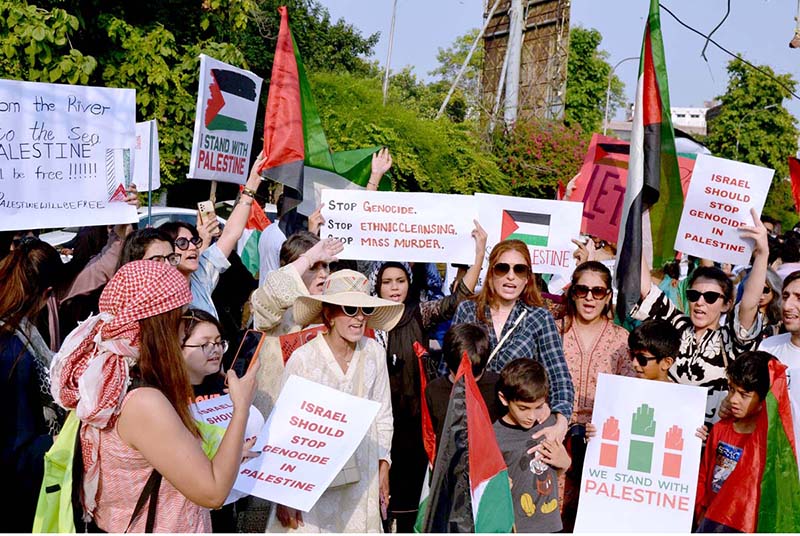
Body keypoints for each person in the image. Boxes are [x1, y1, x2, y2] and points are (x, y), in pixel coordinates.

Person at [49, 260, 260, 532]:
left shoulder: (111, 372)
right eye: (182, 317)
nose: (185, 328)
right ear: (162, 324)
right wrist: (241, 407)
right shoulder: (143, 401)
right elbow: (213, 492)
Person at [367, 221, 486, 532]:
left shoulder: (421, 313)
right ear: (376, 286)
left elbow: (458, 297)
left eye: (400, 280)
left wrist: (479, 251)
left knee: (407, 492)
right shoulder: (362, 319)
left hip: (413, 421)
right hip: (374, 419)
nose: (394, 287)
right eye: (387, 282)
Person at [269, 269, 402, 533]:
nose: (360, 318)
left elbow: (383, 414)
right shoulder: (303, 359)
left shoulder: (375, 352)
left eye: (365, 310)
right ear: (329, 314)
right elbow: (284, 428)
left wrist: (383, 466)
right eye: (350, 309)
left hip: (362, 475)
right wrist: (284, 493)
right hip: (312, 476)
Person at [631, 209, 769, 425]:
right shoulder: (675, 325)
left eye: (711, 297)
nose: (700, 302)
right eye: (694, 295)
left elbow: (750, 305)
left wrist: (762, 254)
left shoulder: (731, 341)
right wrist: (635, 223)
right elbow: (644, 288)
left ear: (727, 304)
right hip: (662, 432)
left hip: (710, 443)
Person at [452, 239, 574, 442]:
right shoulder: (467, 311)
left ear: (528, 278)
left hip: (518, 433)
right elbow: (448, 371)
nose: (511, 276)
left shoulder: (539, 318)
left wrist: (560, 423)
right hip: (469, 426)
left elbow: (559, 377)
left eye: (519, 270)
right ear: (491, 273)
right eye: (502, 268)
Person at [558, 261, 636, 530]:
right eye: (582, 290)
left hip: (601, 445)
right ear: (572, 293)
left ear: (608, 296)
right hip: (555, 440)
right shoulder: (554, 331)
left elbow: (632, 394)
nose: (590, 297)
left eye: (598, 291)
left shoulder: (622, 340)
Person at [0, 240, 66, 532]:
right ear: (47, 293)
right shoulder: (12, 350)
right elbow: (14, 444)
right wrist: (62, 443)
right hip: (18, 494)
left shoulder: (20, 331)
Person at [160, 152, 267, 319]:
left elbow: (231, 233)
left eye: (194, 241)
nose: (192, 246)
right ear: (167, 252)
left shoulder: (200, 278)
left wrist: (251, 186)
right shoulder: (160, 294)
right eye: (182, 243)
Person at [694, 351, 774, 532]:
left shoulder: (769, 442)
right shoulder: (721, 429)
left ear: (765, 397)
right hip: (711, 521)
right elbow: (704, 474)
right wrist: (701, 509)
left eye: (744, 394)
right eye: (731, 390)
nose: (733, 400)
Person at [493, 358, 571, 533]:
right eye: (523, 408)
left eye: (538, 407)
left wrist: (564, 463)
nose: (532, 416)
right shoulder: (494, 436)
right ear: (504, 399)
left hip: (550, 524)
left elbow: (552, 471)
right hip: (516, 527)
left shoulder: (549, 424)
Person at [425, 322, 502, 444]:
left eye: (474, 376)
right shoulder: (434, 390)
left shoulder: (499, 386)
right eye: (461, 376)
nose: (468, 383)